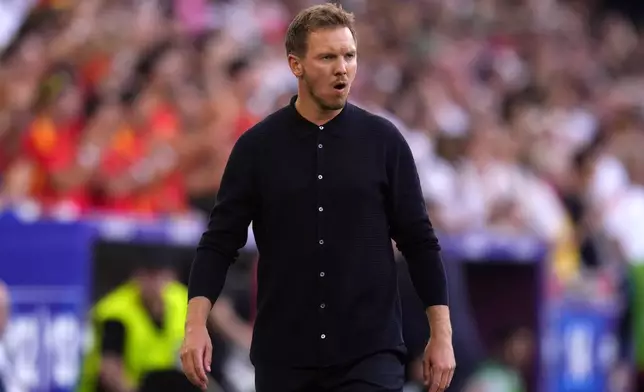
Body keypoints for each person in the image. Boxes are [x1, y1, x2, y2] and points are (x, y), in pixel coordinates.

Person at [181, 3, 456, 392]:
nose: (342, 67)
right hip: (285, 357)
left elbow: (420, 242)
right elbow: (218, 243)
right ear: (296, 65)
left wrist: (441, 335)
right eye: (327, 57)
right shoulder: (257, 148)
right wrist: (195, 327)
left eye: (349, 56)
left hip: (370, 354)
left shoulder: (385, 142)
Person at [76, 257, 202, 392]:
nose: (154, 284)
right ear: (136, 277)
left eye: (159, 276)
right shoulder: (117, 312)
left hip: (160, 382)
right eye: (148, 276)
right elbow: (109, 371)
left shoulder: (182, 300)